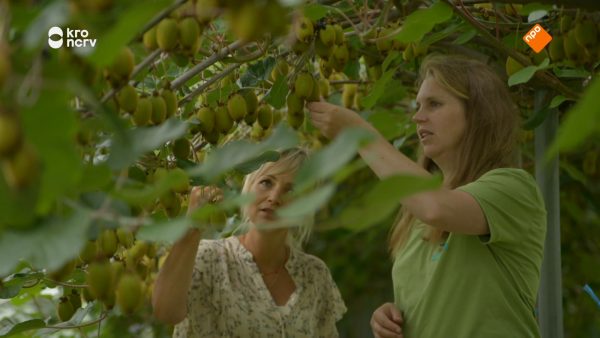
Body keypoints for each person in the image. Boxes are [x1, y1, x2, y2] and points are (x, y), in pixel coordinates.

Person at [308, 54, 547, 338]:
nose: (418, 116)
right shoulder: (414, 212)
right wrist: (391, 317)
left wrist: (360, 134)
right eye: (418, 105)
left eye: (434, 104)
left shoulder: (513, 188)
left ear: (478, 112)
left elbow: (437, 207)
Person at [152, 148, 346, 337]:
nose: (274, 197)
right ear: (249, 187)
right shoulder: (210, 258)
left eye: (291, 190)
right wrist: (193, 224)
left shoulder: (314, 275)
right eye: (267, 183)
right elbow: (165, 312)